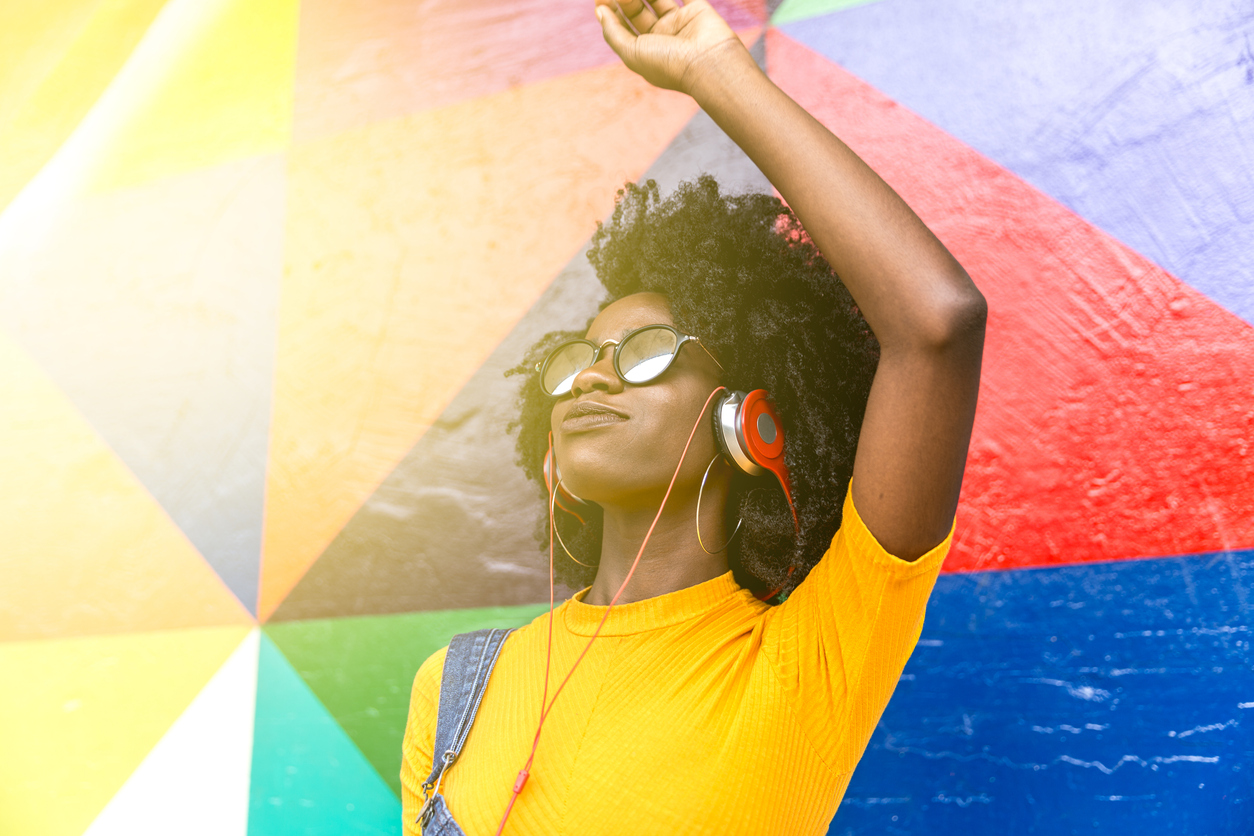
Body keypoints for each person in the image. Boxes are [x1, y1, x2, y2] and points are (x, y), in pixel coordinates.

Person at [400, 1, 987, 833]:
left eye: (644, 351)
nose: (594, 379)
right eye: (578, 358)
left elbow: (938, 324)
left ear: (749, 418)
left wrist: (716, 72)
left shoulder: (808, 657)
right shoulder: (456, 686)